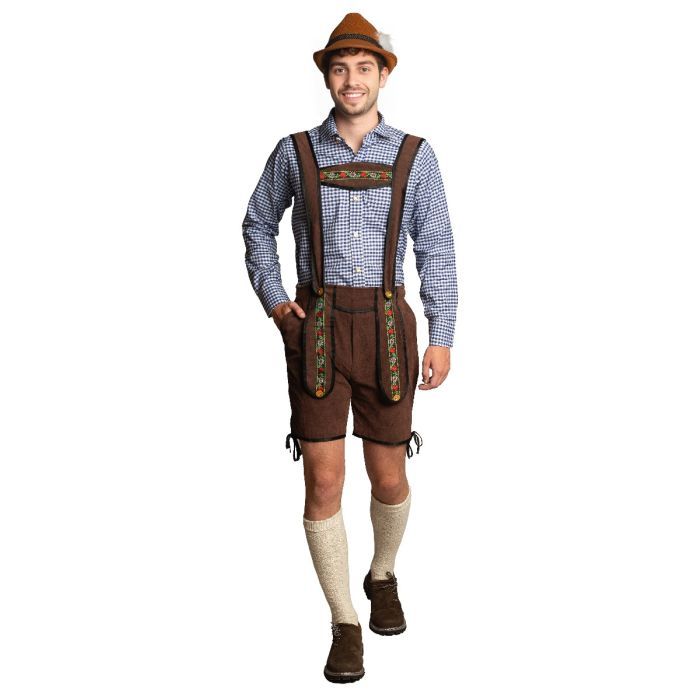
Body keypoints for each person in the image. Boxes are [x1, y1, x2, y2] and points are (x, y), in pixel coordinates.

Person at [242, 12, 458, 683]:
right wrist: (277, 302)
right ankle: (343, 621)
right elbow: (256, 226)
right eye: (340, 68)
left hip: (389, 327)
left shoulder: (415, 154)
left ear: (383, 75)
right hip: (317, 330)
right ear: (327, 77)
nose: (352, 79)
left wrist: (443, 333)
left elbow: (437, 248)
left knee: (389, 476)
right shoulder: (295, 152)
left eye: (365, 67)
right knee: (324, 479)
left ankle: (382, 573)